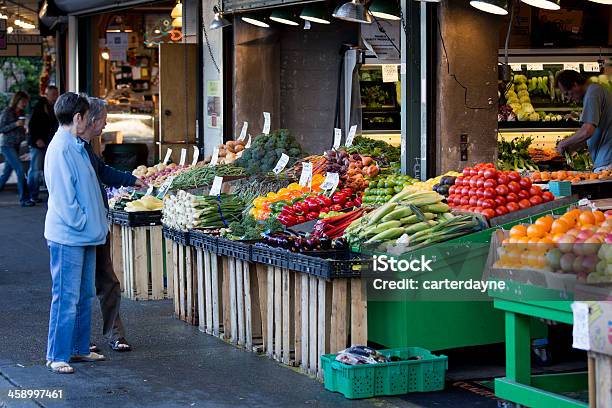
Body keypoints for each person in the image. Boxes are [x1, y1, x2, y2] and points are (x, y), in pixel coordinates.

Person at [44, 92, 108, 374]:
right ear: (78, 118)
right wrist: (85, 223)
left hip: (85, 234)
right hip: (69, 235)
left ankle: (79, 349)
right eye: (86, 116)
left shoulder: (76, 146)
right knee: (66, 297)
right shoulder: (61, 148)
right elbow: (65, 199)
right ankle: (57, 354)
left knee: (83, 296)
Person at [81, 97, 143, 353]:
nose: (106, 123)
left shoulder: (86, 147)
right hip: (81, 228)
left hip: (96, 224)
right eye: (103, 118)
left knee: (107, 281)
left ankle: (115, 334)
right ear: (88, 119)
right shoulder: (69, 148)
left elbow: (103, 171)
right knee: (81, 286)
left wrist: (131, 180)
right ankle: (80, 339)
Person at [555, 70, 612, 172]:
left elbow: (587, 131)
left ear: (575, 85)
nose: (569, 98)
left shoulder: (592, 94)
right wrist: (574, 145)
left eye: (567, 93)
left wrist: (563, 143)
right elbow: (597, 131)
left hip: (607, 161)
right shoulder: (596, 90)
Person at [0, 91, 35, 206]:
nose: (25, 104)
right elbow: (2, 128)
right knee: (20, 170)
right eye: (23, 101)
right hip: (7, 146)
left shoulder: (21, 112)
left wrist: (23, 130)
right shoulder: (7, 111)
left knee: (6, 174)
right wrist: (15, 124)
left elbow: (19, 129)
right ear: (17, 100)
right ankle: (24, 199)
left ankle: (25, 198)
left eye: (26, 102)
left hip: (16, 146)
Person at [27, 85, 59, 202]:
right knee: (35, 170)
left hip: (49, 142)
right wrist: (37, 139)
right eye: (53, 95)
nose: (55, 97)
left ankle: (48, 194)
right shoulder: (40, 106)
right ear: (47, 95)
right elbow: (31, 125)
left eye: (56, 94)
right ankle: (32, 195)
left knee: (48, 169)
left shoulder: (55, 107)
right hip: (38, 142)